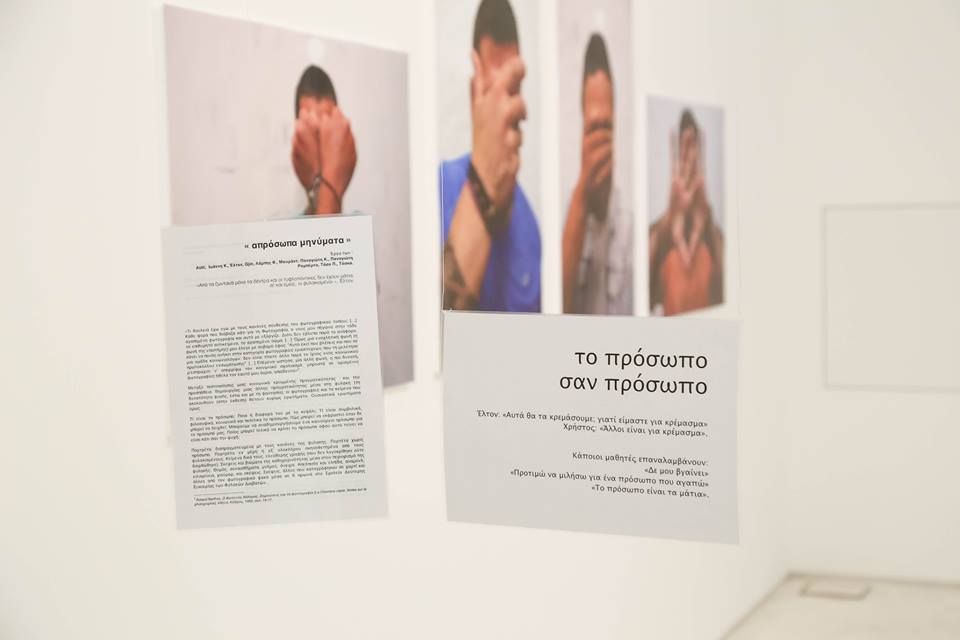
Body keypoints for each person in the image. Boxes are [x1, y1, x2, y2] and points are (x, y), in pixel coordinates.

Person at [439, 0, 541, 312]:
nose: (503, 109)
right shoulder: (436, 191)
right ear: (474, 94)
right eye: (491, 91)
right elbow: (431, 332)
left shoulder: (531, 229)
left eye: (510, 90)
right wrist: (483, 183)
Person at [561, 33, 632, 315]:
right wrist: (582, 199)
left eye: (607, 128)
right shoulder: (564, 219)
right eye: (593, 129)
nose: (600, 143)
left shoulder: (631, 225)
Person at [649, 109, 724, 316]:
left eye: (693, 148)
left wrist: (706, 216)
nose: (689, 158)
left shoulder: (716, 237)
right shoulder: (658, 231)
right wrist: (670, 218)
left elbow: (729, 286)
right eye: (684, 148)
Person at [291, 65, 357, 215]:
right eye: (312, 133)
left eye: (328, 133)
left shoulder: (363, 224)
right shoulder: (283, 227)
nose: (321, 145)